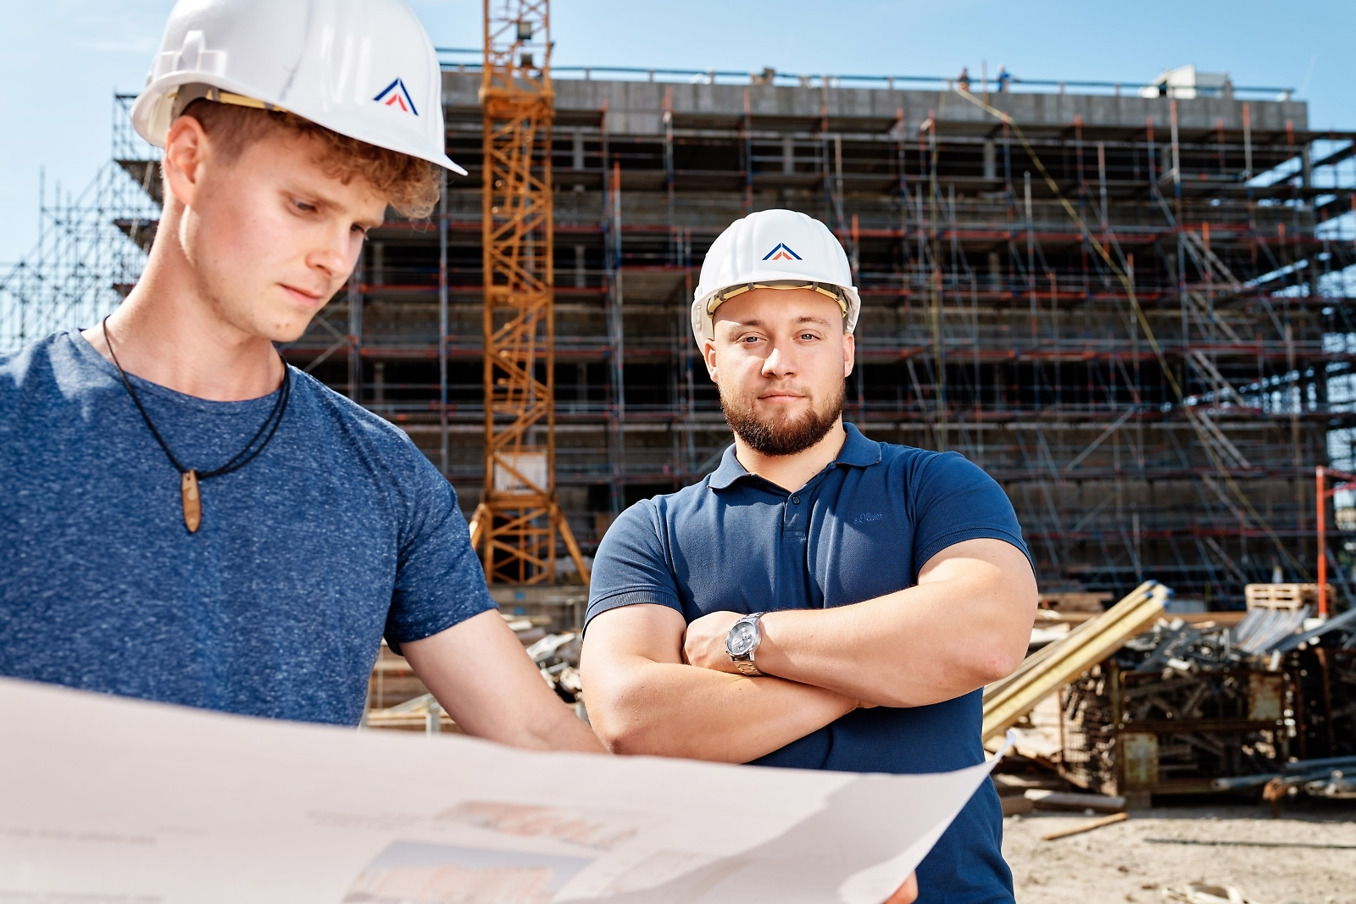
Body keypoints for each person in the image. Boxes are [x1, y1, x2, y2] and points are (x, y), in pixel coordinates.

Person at [0, 0, 602, 754]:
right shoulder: (13, 423)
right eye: (305, 205)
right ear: (188, 161)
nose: (336, 260)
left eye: (357, 226)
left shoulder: (383, 478)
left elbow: (538, 733)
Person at [579, 208, 1038, 902]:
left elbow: (986, 635)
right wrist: (889, 671)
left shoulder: (937, 488)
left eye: (807, 334)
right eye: (749, 337)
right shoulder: (652, 533)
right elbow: (632, 720)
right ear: (711, 356)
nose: (779, 361)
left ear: (847, 350)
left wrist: (747, 640)